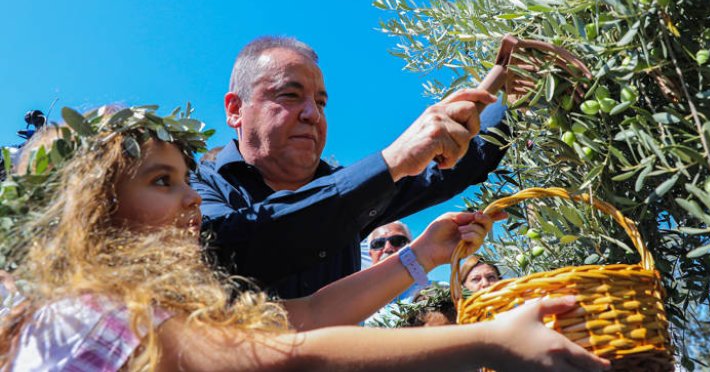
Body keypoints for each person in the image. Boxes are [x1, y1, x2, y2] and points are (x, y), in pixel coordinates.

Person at [0, 106, 609, 372]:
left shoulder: (152, 311)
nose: (191, 199)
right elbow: (284, 359)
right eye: (162, 181)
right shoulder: (83, 320)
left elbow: (307, 317)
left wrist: (424, 254)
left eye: (186, 179)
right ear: (90, 214)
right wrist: (489, 342)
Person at [192, 36, 511, 298]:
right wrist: (392, 161)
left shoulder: (350, 190)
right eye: (290, 95)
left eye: (320, 103)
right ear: (235, 110)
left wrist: (521, 99)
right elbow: (231, 251)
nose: (312, 115)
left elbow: (445, 172)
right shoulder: (193, 188)